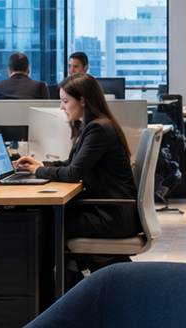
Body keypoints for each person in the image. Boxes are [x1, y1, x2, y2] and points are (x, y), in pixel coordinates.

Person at [14, 71, 139, 285]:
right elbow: (72, 164)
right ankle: (58, 286)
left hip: (111, 217)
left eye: (65, 101)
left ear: (82, 99)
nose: (61, 107)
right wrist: (41, 165)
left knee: (47, 221)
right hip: (111, 212)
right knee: (48, 216)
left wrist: (37, 172)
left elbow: (73, 174)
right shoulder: (95, 126)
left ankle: (50, 288)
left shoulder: (98, 129)